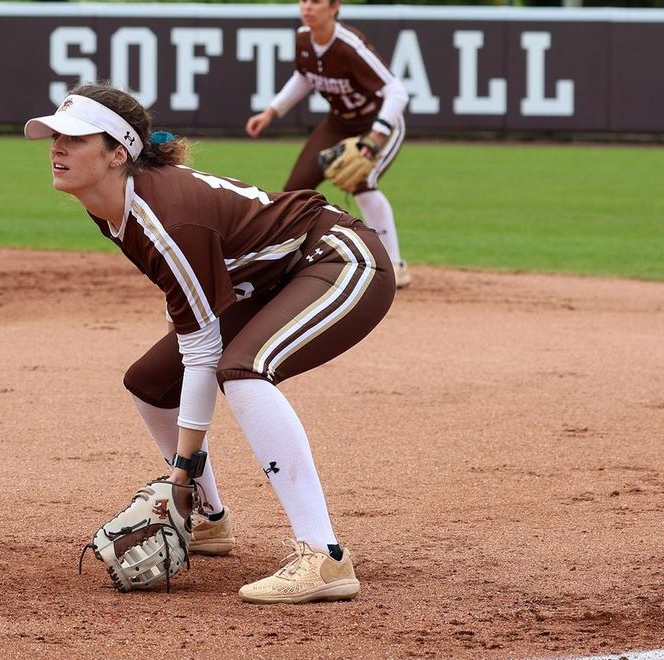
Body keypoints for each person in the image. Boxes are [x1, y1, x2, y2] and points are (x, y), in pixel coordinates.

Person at [25, 83, 394, 604]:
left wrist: (180, 470)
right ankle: (209, 520)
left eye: (77, 138)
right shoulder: (112, 206)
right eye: (55, 135)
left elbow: (202, 350)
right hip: (269, 279)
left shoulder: (164, 215)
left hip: (339, 259)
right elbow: (195, 313)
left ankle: (323, 555)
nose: (58, 147)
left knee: (243, 370)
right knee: (151, 382)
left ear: (118, 153)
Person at [245, 0, 412, 289]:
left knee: (361, 182)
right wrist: (272, 111)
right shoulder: (303, 39)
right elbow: (304, 77)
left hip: (378, 125)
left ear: (335, 7)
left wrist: (375, 137)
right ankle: (283, 261)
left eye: (317, 1)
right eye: (304, 1)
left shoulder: (350, 45)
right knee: (295, 189)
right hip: (338, 124)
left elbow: (397, 93)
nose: (307, 7)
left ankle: (396, 264)